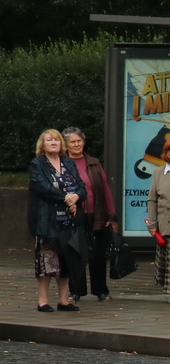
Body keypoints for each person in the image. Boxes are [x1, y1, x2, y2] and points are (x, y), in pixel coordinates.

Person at [28, 128, 87, 312]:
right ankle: (43, 301)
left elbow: (81, 186)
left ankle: (64, 300)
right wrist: (65, 197)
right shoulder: (37, 164)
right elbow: (41, 188)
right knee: (46, 261)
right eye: (49, 140)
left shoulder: (68, 163)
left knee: (66, 260)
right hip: (47, 221)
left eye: (57, 140)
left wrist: (76, 197)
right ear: (42, 144)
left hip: (68, 221)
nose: (53, 143)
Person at [63, 126, 117, 301]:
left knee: (97, 255)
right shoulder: (62, 163)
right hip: (73, 215)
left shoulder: (93, 162)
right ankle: (75, 291)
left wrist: (111, 214)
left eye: (79, 141)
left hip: (96, 214)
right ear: (66, 145)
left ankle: (101, 290)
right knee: (75, 253)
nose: (77, 144)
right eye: (73, 142)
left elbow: (105, 189)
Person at [146, 134, 170, 295]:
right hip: (165, 224)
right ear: (166, 153)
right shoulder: (158, 173)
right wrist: (153, 226)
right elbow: (152, 200)